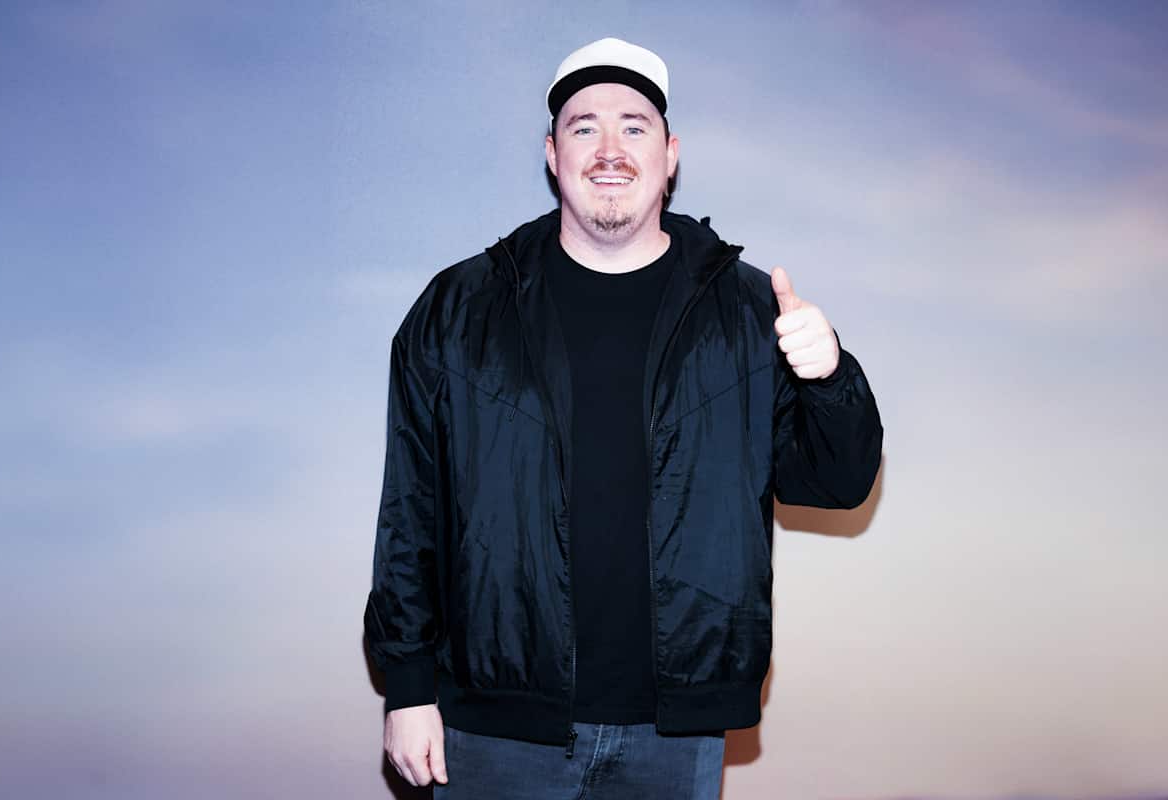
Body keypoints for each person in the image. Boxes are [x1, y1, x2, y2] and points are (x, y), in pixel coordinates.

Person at [364, 37, 883, 798]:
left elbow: (838, 483)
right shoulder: (458, 310)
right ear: (553, 154)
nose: (610, 149)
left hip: (674, 733)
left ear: (670, 155)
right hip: (495, 726)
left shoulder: (746, 313)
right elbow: (411, 510)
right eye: (585, 127)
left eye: (634, 127)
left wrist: (830, 376)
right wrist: (408, 687)